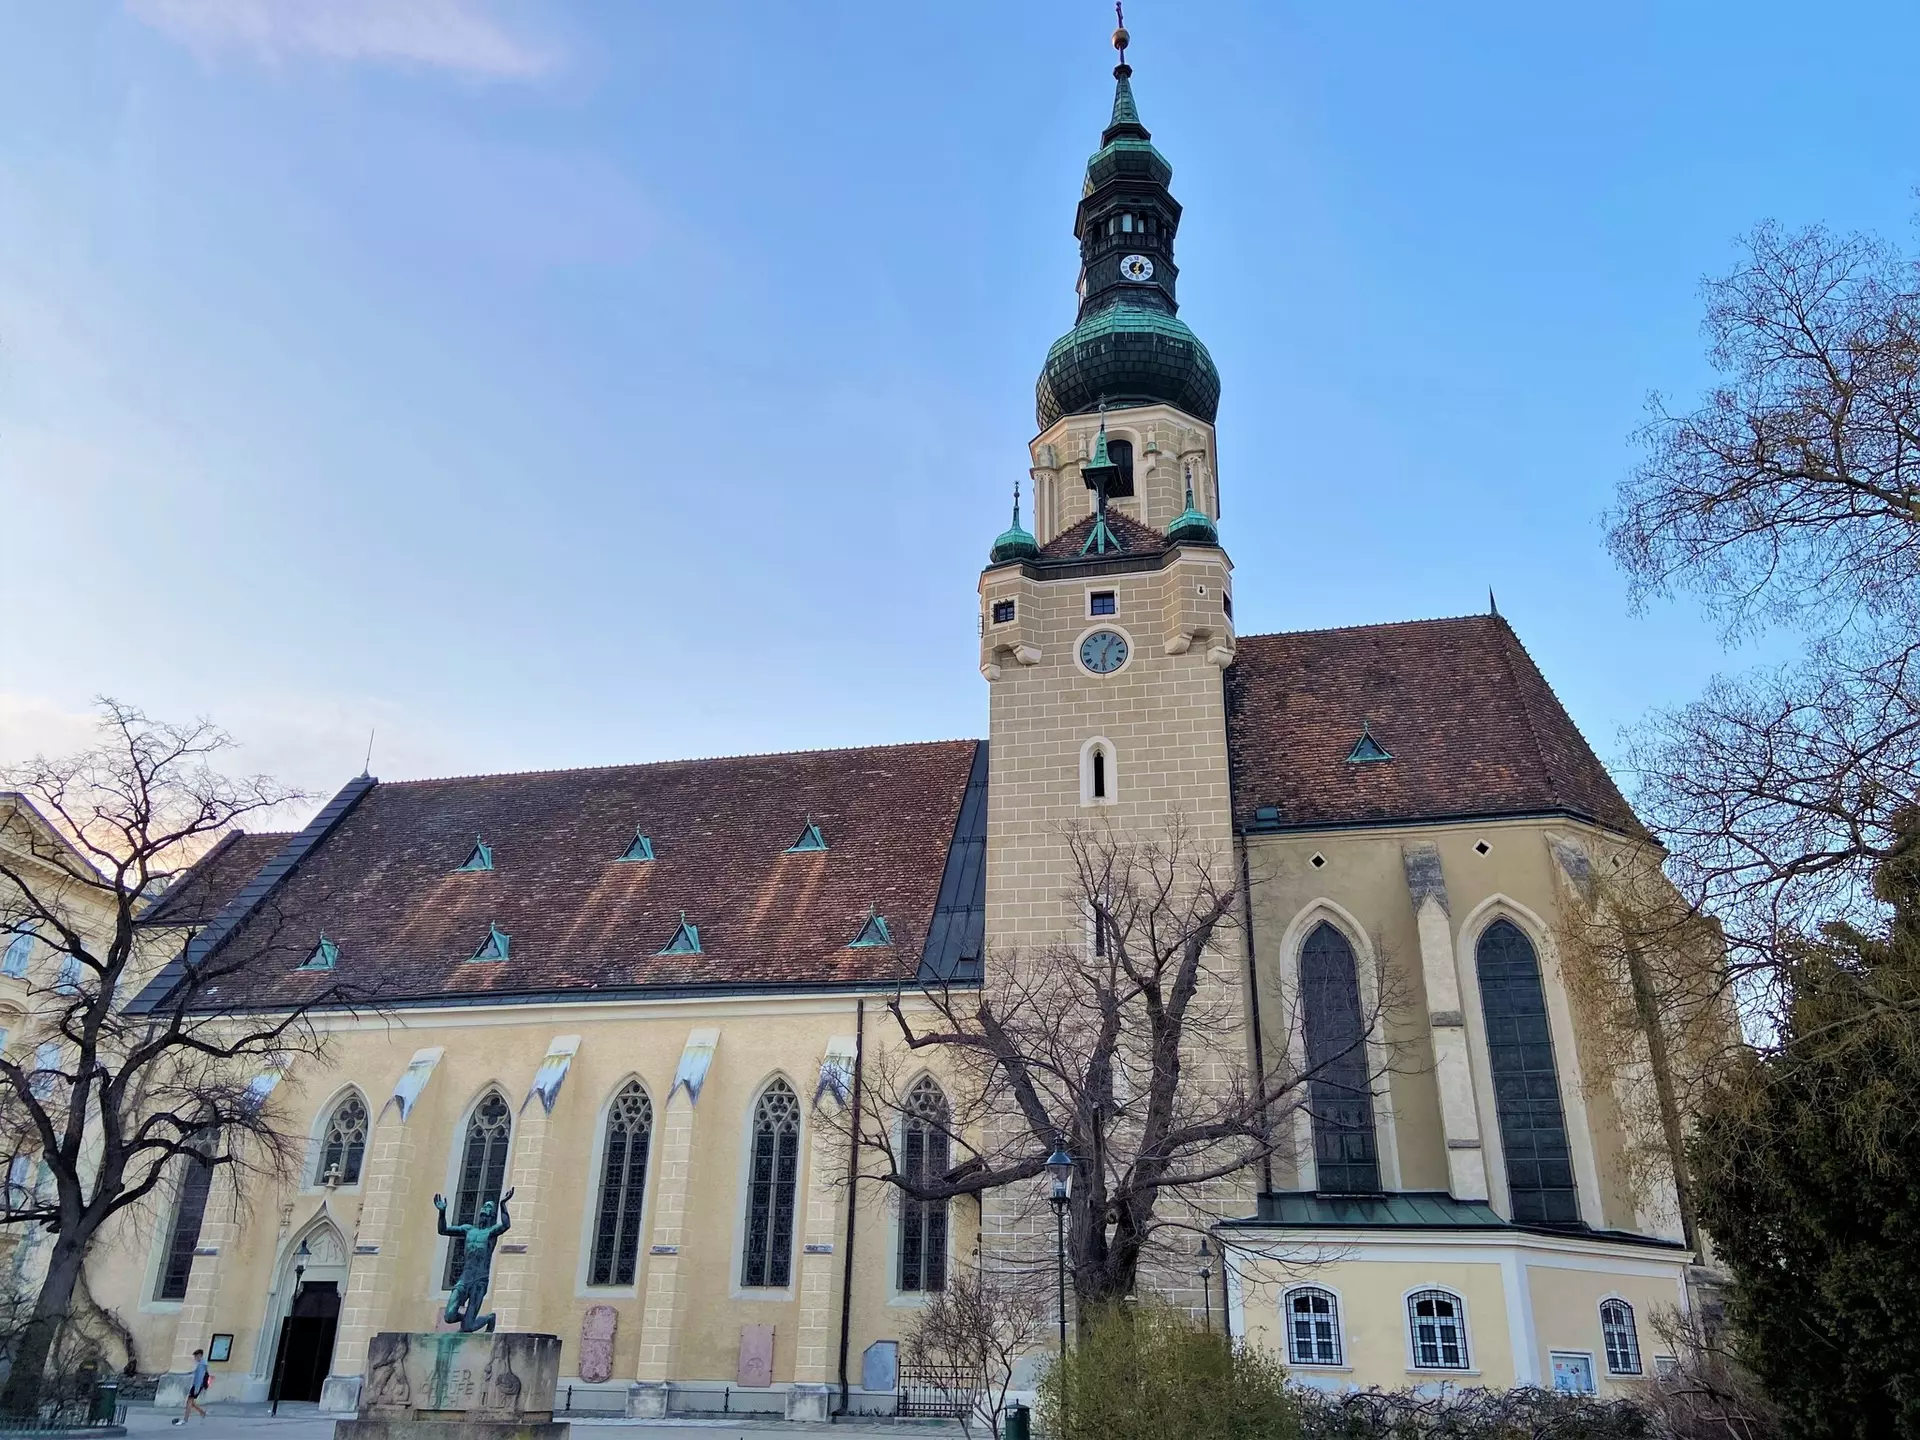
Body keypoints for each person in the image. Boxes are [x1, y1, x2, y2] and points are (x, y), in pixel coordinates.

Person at [170, 1349, 210, 1425]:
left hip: (197, 1385)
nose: (195, 1358)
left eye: (196, 1356)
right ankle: (202, 1412)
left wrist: (197, 1388)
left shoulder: (201, 1364)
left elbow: (200, 1377)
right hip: (197, 1385)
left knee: (189, 1402)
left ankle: (185, 1420)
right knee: (191, 1401)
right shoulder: (202, 1363)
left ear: (199, 1356)